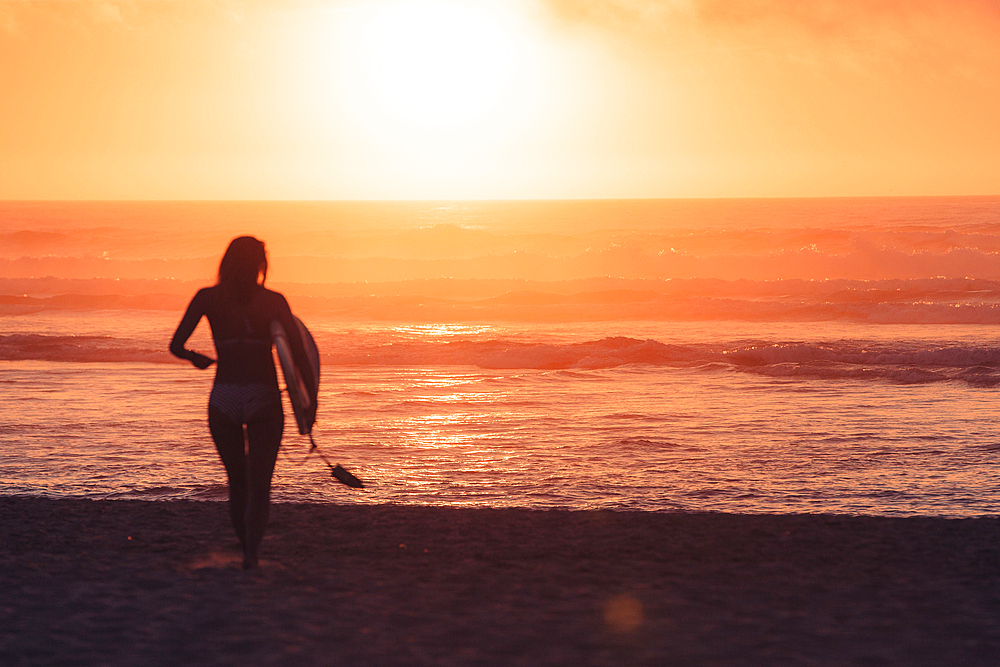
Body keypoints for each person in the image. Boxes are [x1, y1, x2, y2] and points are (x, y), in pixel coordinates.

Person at [169, 236, 315, 569]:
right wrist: (310, 401)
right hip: (262, 394)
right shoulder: (274, 301)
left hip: (223, 396)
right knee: (260, 485)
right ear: (261, 264)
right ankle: (251, 554)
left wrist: (197, 358)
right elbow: (300, 358)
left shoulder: (207, 297)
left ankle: (242, 545)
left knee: (238, 482)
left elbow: (176, 345)